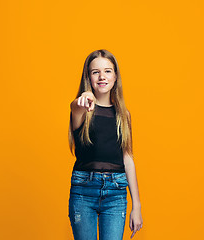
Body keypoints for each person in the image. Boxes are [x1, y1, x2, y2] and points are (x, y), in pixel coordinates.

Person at [68, 49, 143, 240]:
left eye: (108, 71)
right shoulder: (82, 110)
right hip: (84, 190)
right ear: (89, 77)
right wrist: (85, 97)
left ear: (115, 76)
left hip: (116, 193)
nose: (102, 76)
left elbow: (127, 158)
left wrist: (137, 206)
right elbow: (75, 106)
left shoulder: (124, 115)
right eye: (95, 72)